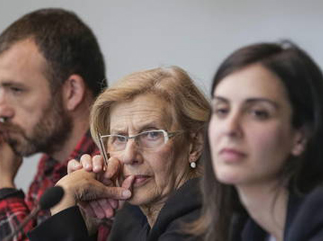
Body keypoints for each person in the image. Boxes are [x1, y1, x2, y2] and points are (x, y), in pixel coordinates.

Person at [0, 8, 115, 241]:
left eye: (16, 90)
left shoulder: (110, 171)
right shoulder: (51, 165)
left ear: (72, 92)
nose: (0, 110)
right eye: (0, 89)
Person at [194, 41, 323, 241]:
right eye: (222, 110)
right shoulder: (243, 225)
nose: (230, 128)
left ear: (301, 136)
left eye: (258, 113)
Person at [28, 66, 210, 241]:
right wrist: (81, 223)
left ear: (195, 145)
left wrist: (64, 205)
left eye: (151, 134)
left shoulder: (203, 221)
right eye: (119, 138)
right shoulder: (131, 217)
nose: (129, 156)